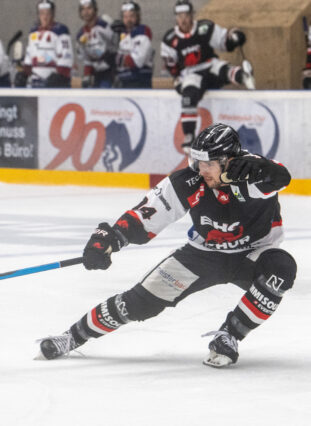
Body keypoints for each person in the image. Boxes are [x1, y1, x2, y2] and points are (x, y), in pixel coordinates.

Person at [38, 123, 297, 368]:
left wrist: (261, 167)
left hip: (253, 254)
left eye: (208, 163)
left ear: (228, 161)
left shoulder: (253, 173)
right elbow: (146, 215)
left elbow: (280, 177)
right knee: (137, 304)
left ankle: (229, 336)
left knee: (281, 268)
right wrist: (110, 238)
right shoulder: (189, 181)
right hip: (202, 255)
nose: (201, 169)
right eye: (197, 161)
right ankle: (71, 337)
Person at [161, 0, 255, 150]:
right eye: (180, 16)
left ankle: (243, 76)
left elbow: (224, 41)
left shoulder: (205, 27)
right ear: (176, 18)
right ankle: (189, 136)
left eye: (186, 15)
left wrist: (235, 37)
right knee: (188, 96)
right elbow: (172, 66)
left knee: (224, 69)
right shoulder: (169, 39)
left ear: (192, 15)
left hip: (210, 65)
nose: (183, 19)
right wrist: (177, 80)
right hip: (191, 73)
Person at [15, 0, 74, 88]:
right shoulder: (33, 32)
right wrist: (24, 73)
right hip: (35, 83)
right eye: (42, 13)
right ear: (38, 15)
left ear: (53, 14)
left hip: (54, 85)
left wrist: (60, 76)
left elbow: (66, 57)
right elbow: (29, 57)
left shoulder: (60, 31)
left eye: (48, 13)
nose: (45, 17)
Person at [113, 1, 153, 88]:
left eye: (132, 16)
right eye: (125, 16)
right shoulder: (121, 34)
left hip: (139, 82)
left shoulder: (143, 32)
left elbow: (136, 62)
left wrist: (115, 57)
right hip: (123, 82)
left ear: (137, 17)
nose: (129, 20)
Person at [76, 0, 115, 88]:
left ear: (95, 9)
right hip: (94, 73)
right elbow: (85, 58)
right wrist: (87, 75)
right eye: (83, 9)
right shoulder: (80, 34)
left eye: (89, 8)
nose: (86, 12)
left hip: (110, 71)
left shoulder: (104, 25)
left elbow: (117, 46)